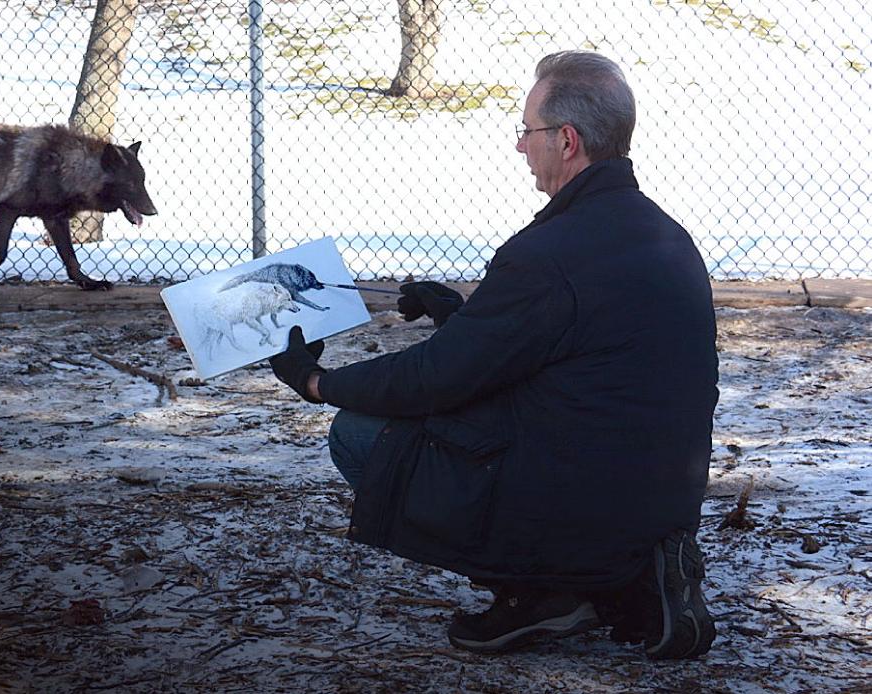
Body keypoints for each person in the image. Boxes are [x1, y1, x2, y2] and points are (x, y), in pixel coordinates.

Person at [269, 50, 719, 659]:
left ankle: (548, 591)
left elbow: (434, 379)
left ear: (566, 140)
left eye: (526, 131)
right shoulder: (660, 231)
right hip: (658, 494)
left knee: (359, 433)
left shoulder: (551, 251)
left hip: (584, 494)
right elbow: (559, 349)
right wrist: (459, 315)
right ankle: (618, 573)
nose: (518, 146)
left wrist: (318, 382)